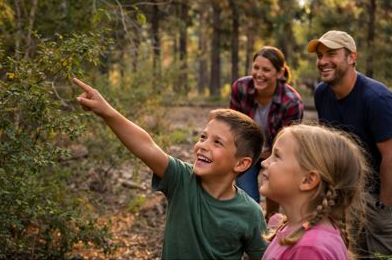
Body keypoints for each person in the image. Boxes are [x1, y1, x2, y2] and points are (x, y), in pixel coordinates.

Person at [72, 78, 267, 260]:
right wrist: (107, 111)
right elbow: (147, 146)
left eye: (217, 142)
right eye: (203, 137)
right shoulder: (181, 179)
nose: (203, 146)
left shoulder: (250, 213)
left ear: (241, 163)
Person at [307, 30, 392, 257]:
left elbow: (391, 156)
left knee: (384, 253)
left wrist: (385, 206)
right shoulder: (322, 93)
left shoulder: (376, 98)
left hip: (383, 194)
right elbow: (331, 147)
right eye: (320, 55)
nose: (323, 61)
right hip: (352, 193)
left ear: (352, 57)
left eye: (331, 54)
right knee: (357, 252)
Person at [260, 124, 369, 260]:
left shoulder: (309, 249)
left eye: (277, 156)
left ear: (308, 180)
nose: (264, 163)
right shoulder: (295, 228)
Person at [230, 46, 304, 220]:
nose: (259, 74)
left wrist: (270, 158)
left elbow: (287, 144)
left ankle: (270, 226)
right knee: (248, 204)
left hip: (276, 154)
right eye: (256, 68)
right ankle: (251, 233)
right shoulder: (241, 88)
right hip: (248, 151)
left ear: (279, 73)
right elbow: (233, 125)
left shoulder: (291, 102)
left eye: (266, 70)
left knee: (272, 207)